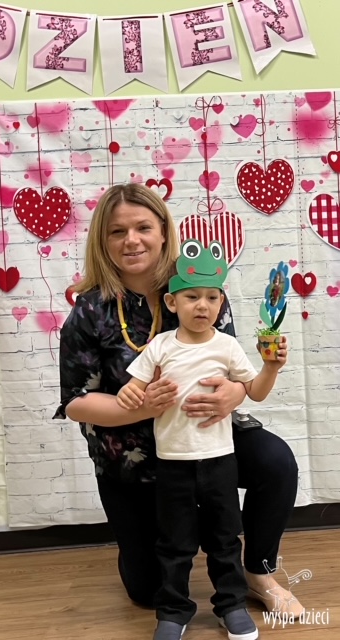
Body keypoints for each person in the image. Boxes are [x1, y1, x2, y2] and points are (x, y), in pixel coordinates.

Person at [54, 184, 300, 627]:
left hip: (206, 438)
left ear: (164, 232)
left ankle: (255, 571)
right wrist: (141, 408)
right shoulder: (90, 310)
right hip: (132, 457)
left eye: (143, 228)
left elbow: (234, 368)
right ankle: (190, 531)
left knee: (275, 462)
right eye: (117, 231)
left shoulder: (199, 286)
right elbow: (75, 402)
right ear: (102, 241)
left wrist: (236, 392)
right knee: (147, 591)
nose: (132, 240)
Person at [116, 237, 288, 640]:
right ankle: (174, 612)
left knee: (225, 539)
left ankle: (231, 605)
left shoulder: (227, 347)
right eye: (192, 297)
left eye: (212, 297)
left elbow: (255, 392)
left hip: (219, 461)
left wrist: (271, 367)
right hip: (172, 464)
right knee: (174, 544)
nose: (203, 306)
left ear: (221, 303)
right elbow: (134, 387)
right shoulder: (160, 346)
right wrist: (129, 394)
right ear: (172, 302)